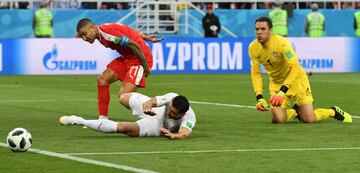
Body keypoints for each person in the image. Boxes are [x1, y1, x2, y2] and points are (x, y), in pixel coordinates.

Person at [248, 16, 352, 124]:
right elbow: (255, 73)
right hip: (277, 83)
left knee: (309, 119)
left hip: (297, 80)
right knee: (277, 119)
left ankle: (333, 112)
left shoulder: (282, 43)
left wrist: (282, 91)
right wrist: (259, 96)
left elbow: (295, 67)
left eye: (263, 29)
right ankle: (294, 111)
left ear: (270, 30)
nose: (259, 32)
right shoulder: (253, 47)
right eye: (257, 29)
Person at [76, 18, 163, 120]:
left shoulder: (107, 33)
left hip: (139, 59)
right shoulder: (101, 33)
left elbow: (134, 45)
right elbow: (126, 29)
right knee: (102, 79)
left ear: (92, 28)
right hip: (127, 58)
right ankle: (103, 119)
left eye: (84, 34)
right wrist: (144, 37)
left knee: (124, 97)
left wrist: (145, 66)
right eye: (82, 36)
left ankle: (160, 113)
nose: (84, 38)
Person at [59, 92, 196, 139]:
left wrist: (174, 135)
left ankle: (79, 120)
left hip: (156, 126)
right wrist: (147, 108)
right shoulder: (170, 98)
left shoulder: (189, 116)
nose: (170, 112)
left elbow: (184, 134)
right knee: (122, 98)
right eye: (170, 109)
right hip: (154, 111)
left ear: (182, 114)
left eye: (173, 113)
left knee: (124, 128)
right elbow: (150, 102)